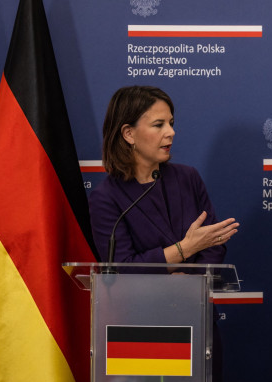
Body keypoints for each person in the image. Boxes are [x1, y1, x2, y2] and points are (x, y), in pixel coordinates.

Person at [89, 85, 238, 264]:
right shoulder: (106, 197)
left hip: (194, 290)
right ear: (129, 134)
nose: (171, 132)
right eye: (159, 125)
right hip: (140, 293)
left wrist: (189, 280)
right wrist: (185, 249)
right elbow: (122, 266)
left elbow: (213, 244)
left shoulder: (188, 178)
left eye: (171, 123)